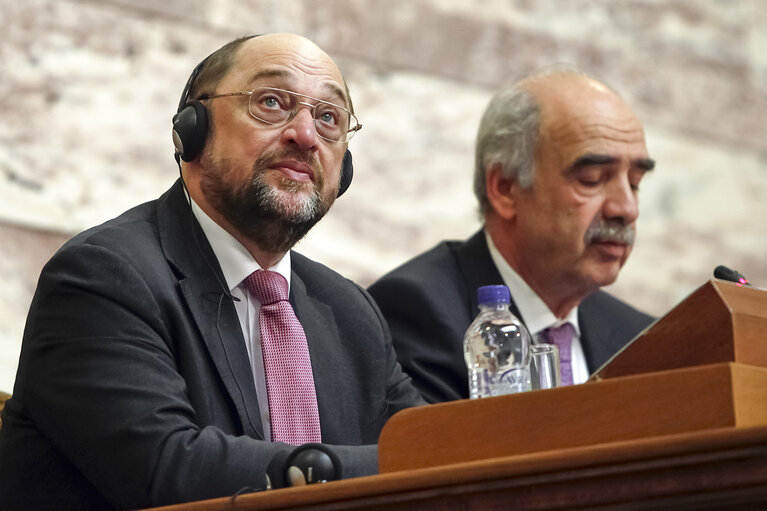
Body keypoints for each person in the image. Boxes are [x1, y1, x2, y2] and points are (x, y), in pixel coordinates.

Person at [0, 33, 424, 509]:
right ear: (192, 130)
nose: (305, 136)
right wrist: (369, 471)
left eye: (328, 118)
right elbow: (168, 468)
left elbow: (446, 452)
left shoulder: (351, 312)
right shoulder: (103, 277)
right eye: (271, 102)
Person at [369, 69, 656, 403]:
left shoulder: (640, 336)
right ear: (504, 188)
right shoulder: (419, 311)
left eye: (635, 182)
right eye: (591, 179)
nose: (626, 208)